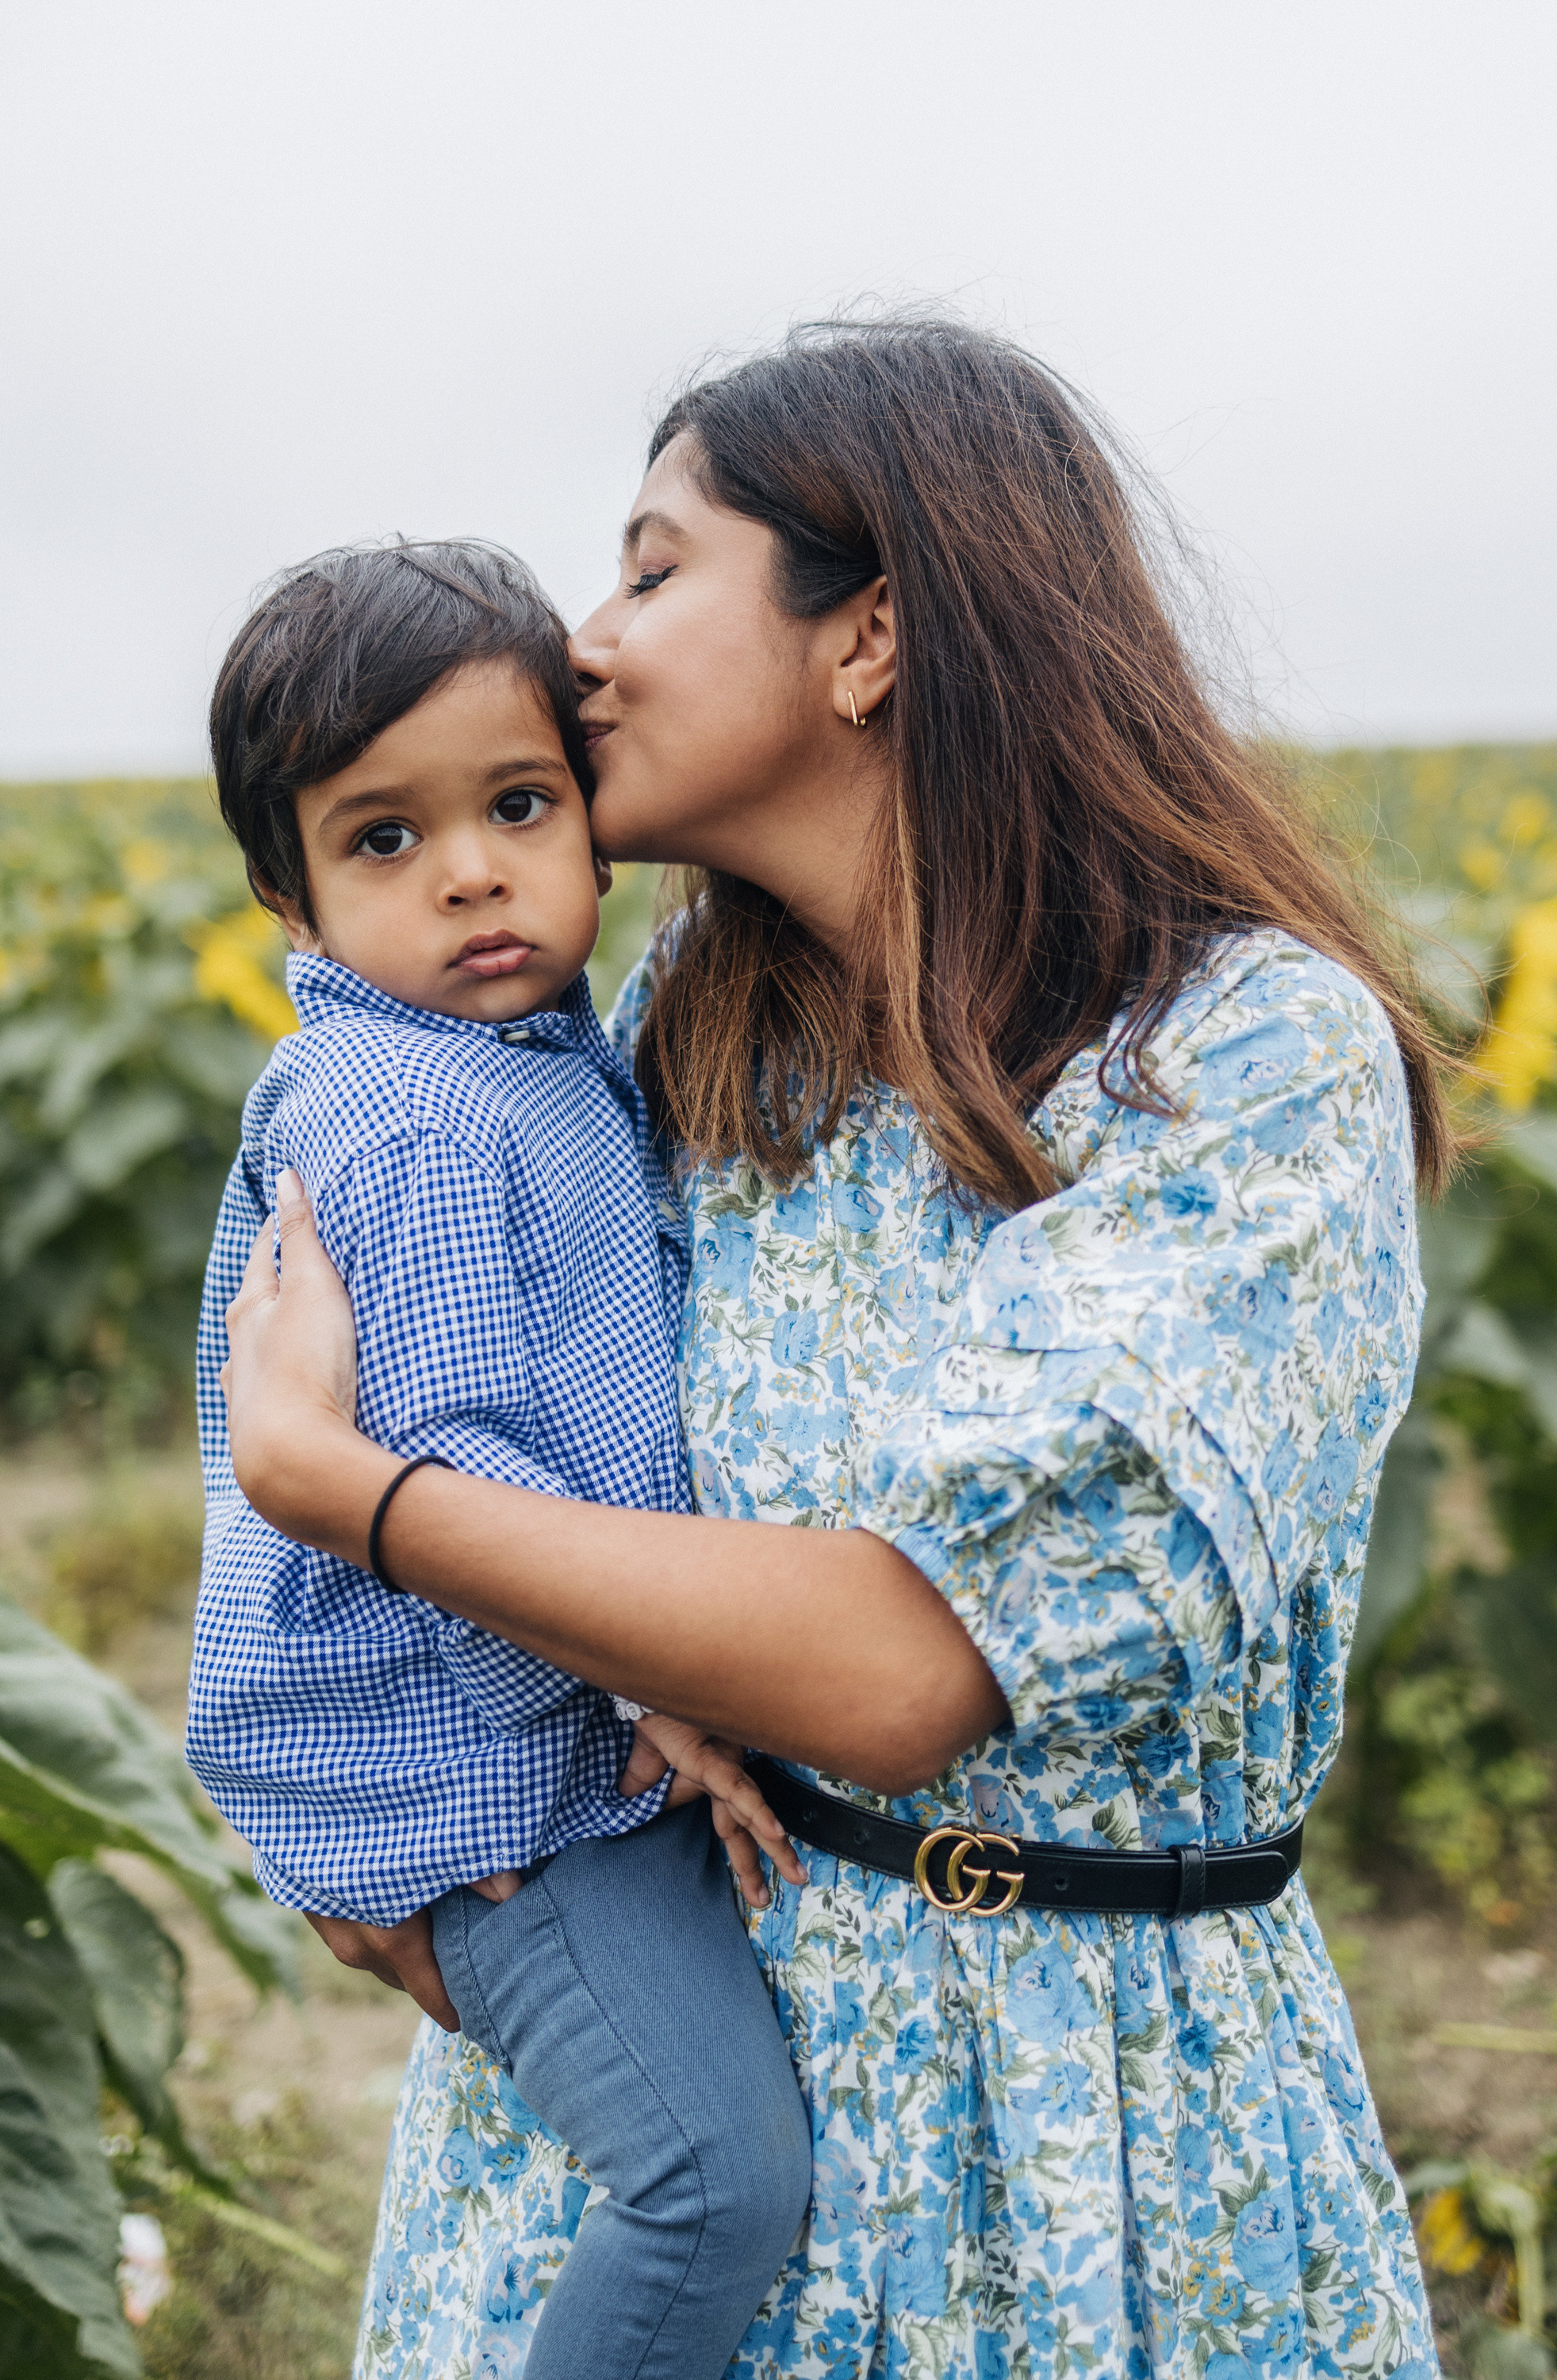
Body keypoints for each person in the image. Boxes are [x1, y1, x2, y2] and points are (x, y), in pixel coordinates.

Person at [215, 320, 1448, 2379]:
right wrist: (357, 1795)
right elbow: (365, 1362)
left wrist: (364, 1508)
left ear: (867, 636)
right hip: (688, 2022)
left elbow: (899, 1668)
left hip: (1072, 2134)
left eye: (652, 564)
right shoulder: (697, 1028)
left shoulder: (1243, 1064)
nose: (583, 641)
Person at [186, 539, 812, 2380]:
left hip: (531, 1726)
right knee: (709, 2179)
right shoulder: (413, 1113)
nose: (470, 871)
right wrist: (663, 1685)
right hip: (496, 1781)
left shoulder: (527, 1056)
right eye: (382, 839)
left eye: (517, 805)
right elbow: (440, 1477)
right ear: (288, 903)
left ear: (593, 828)